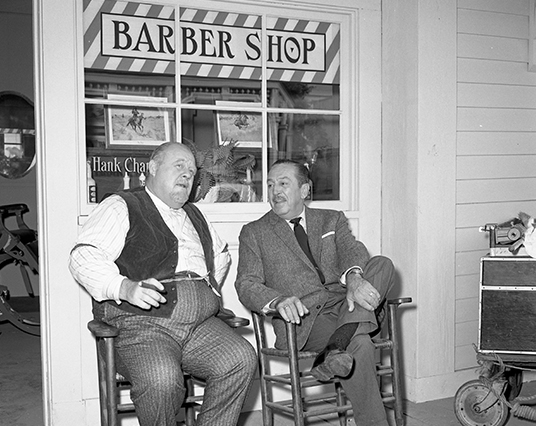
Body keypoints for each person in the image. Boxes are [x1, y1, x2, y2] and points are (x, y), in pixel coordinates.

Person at [69, 142, 257, 426]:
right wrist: (124, 287)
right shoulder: (123, 205)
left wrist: (204, 291)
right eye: (179, 166)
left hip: (200, 326)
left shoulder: (196, 215)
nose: (187, 175)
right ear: (153, 168)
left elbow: (220, 256)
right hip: (143, 325)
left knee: (241, 358)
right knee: (161, 379)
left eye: (192, 171)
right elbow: (83, 256)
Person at [235, 159, 395, 426]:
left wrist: (354, 278)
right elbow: (246, 283)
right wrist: (277, 301)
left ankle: (334, 348)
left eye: (283, 184)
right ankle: (339, 345)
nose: (275, 192)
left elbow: (353, 251)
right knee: (361, 344)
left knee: (383, 264)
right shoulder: (255, 232)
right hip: (306, 319)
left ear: (305, 191)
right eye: (271, 185)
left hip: (347, 302)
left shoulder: (331, 218)